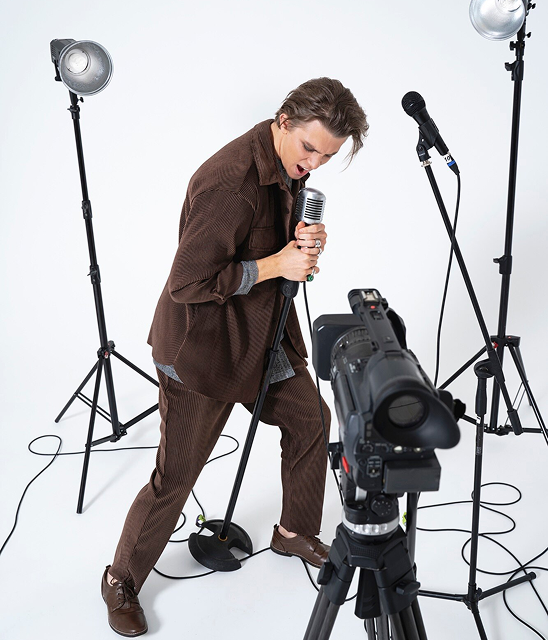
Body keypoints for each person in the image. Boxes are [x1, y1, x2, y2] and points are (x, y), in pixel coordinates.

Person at [101, 77, 368, 637]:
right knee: (176, 478)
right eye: (309, 149)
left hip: (260, 335)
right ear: (283, 120)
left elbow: (265, 243)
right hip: (202, 352)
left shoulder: (287, 165)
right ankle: (120, 578)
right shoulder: (230, 184)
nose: (314, 164)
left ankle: (293, 532)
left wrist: (300, 243)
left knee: (311, 419)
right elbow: (187, 283)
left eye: (327, 156)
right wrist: (276, 265)